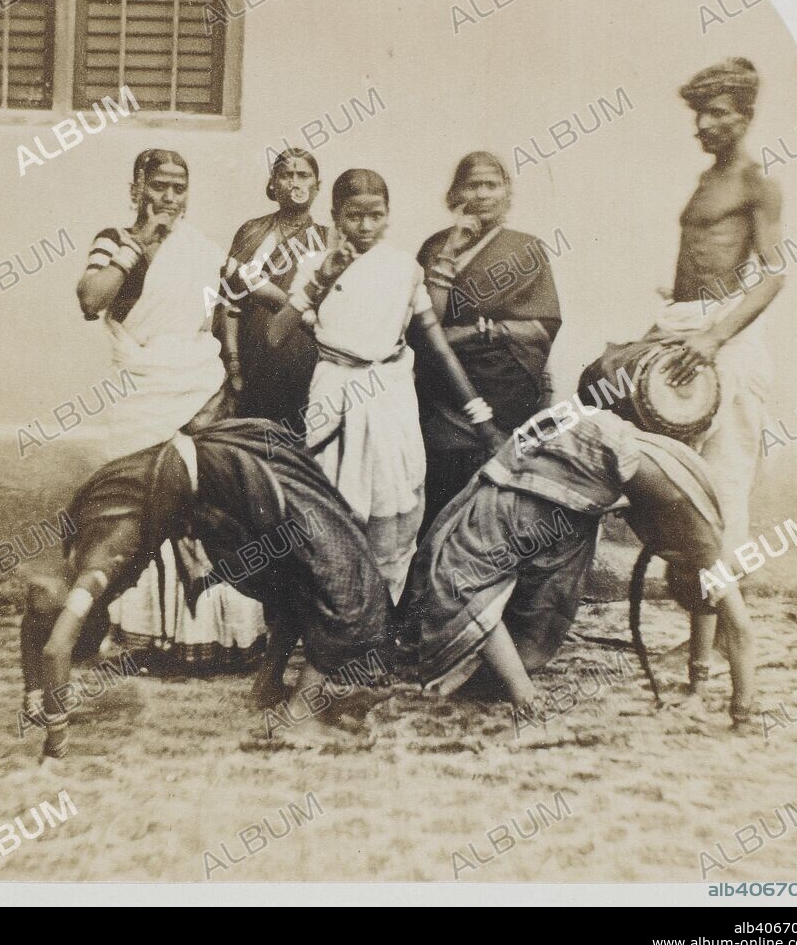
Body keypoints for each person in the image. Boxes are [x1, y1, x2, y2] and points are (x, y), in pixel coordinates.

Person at [19, 419, 392, 757]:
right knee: (296, 575)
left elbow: (54, 648)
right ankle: (289, 707)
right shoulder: (75, 550)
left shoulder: (97, 569)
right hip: (218, 477)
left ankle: (286, 705)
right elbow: (39, 619)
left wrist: (56, 741)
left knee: (344, 578)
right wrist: (34, 691)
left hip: (225, 472)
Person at [406, 406, 756, 730]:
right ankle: (526, 700)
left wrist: (698, 690)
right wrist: (742, 712)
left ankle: (517, 687)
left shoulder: (701, 543)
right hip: (580, 451)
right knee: (462, 577)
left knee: (470, 567)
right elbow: (739, 629)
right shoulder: (704, 545)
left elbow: (708, 604)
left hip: (578, 445)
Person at [267, 168, 502, 602]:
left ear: (388, 215)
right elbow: (274, 335)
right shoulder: (314, 265)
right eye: (354, 216)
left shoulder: (404, 270)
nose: (365, 226)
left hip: (389, 395)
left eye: (376, 215)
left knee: (391, 508)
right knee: (331, 510)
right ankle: (334, 620)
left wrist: (481, 418)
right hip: (335, 393)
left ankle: (377, 623)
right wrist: (321, 280)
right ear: (336, 215)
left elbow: (436, 347)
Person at [74, 148, 264, 671]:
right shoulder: (114, 240)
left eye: (180, 188)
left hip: (198, 391)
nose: (170, 197)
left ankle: (210, 639)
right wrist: (137, 247)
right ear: (137, 186)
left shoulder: (197, 248)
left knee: (201, 506)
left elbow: (249, 287)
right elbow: (92, 299)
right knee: (137, 509)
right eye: (160, 185)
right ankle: (138, 635)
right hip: (141, 397)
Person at [657, 58, 784, 558]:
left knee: (724, 484)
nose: (703, 125)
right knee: (685, 483)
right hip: (687, 332)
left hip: (724, 340)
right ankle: (706, 638)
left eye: (717, 113)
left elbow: (774, 275)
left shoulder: (757, 183)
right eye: (699, 115)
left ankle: (739, 637)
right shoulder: (706, 180)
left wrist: (714, 336)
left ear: (745, 116)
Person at [416, 152, 561, 530]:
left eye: (491, 185)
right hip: (444, 393)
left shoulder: (527, 248)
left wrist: (479, 331)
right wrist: (450, 249)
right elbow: (427, 324)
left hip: (507, 392)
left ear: (506, 192)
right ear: (456, 192)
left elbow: (542, 327)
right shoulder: (434, 247)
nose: (482, 194)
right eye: (472, 185)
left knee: (498, 507)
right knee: (443, 501)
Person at [214, 149, 328, 432]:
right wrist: (234, 364)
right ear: (273, 183)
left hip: (303, 363)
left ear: (317, 185)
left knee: (296, 447)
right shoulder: (252, 231)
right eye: (286, 175)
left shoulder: (329, 240)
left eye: (303, 175)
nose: (295, 183)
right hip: (251, 360)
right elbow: (228, 300)